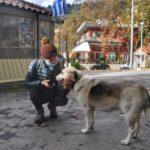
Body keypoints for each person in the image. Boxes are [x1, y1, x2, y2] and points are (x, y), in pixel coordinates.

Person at [24, 38, 69, 126]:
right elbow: (26, 83)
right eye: (50, 60)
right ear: (43, 59)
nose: (54, 61)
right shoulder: (34, 64)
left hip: (51, 91)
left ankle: (52, 107)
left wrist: (66, 87)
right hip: (39, 93)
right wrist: (40, 82)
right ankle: (40, 111)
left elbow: (59, 83)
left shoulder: (58, 65)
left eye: (55, 58)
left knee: (64, 93)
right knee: (32, 92)